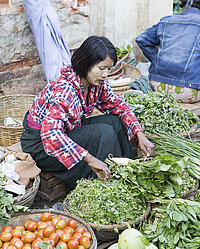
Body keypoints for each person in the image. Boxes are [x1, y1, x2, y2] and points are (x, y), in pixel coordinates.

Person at [20, 36, 154, 191]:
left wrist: (139, 134)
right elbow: (51, 135)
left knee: (115, 122)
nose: (105, 75)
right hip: (41, 146)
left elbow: (119, 106)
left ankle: (126, 171)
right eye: (101, 68)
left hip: (65, 131)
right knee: (103, 133)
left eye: (108, 69)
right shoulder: (65, 90)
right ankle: (105, 185)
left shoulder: (96, 85)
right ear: (86, 63)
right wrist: (90, 159)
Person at [136, 0, 200, 104]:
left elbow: (142, 39)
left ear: (190, 4)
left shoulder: (167, 20)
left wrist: (157, 60)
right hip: (189, 91)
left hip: (157, 85)